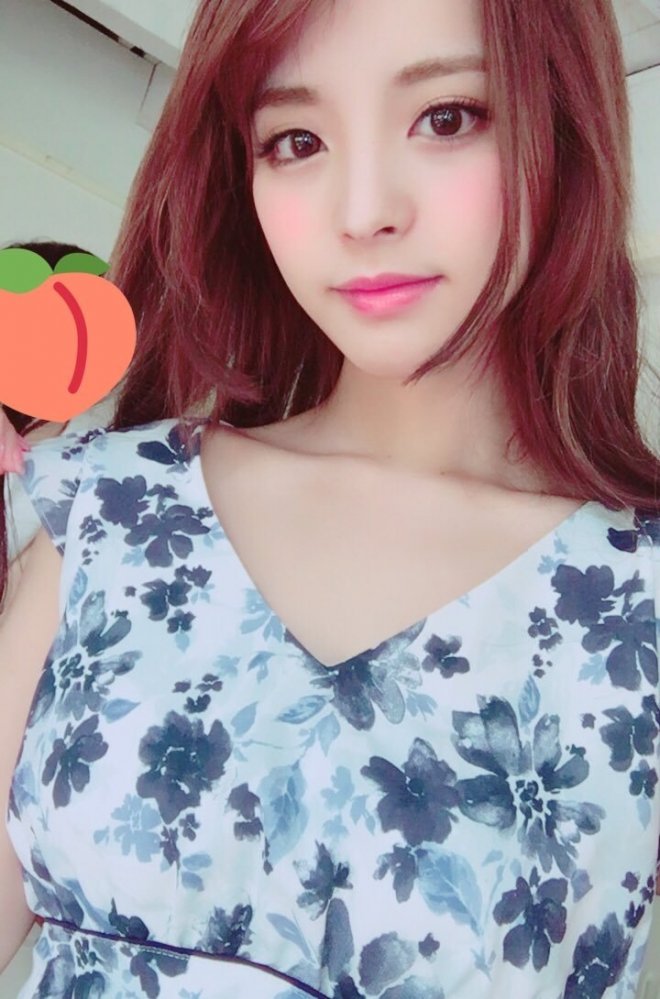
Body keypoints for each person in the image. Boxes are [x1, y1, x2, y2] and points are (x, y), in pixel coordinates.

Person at [1, 0, 659, 996]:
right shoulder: (111, 510)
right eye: (297, 140)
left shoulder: (636, 611)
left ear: (563, 128)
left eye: (446, 117)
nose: (363, 212)